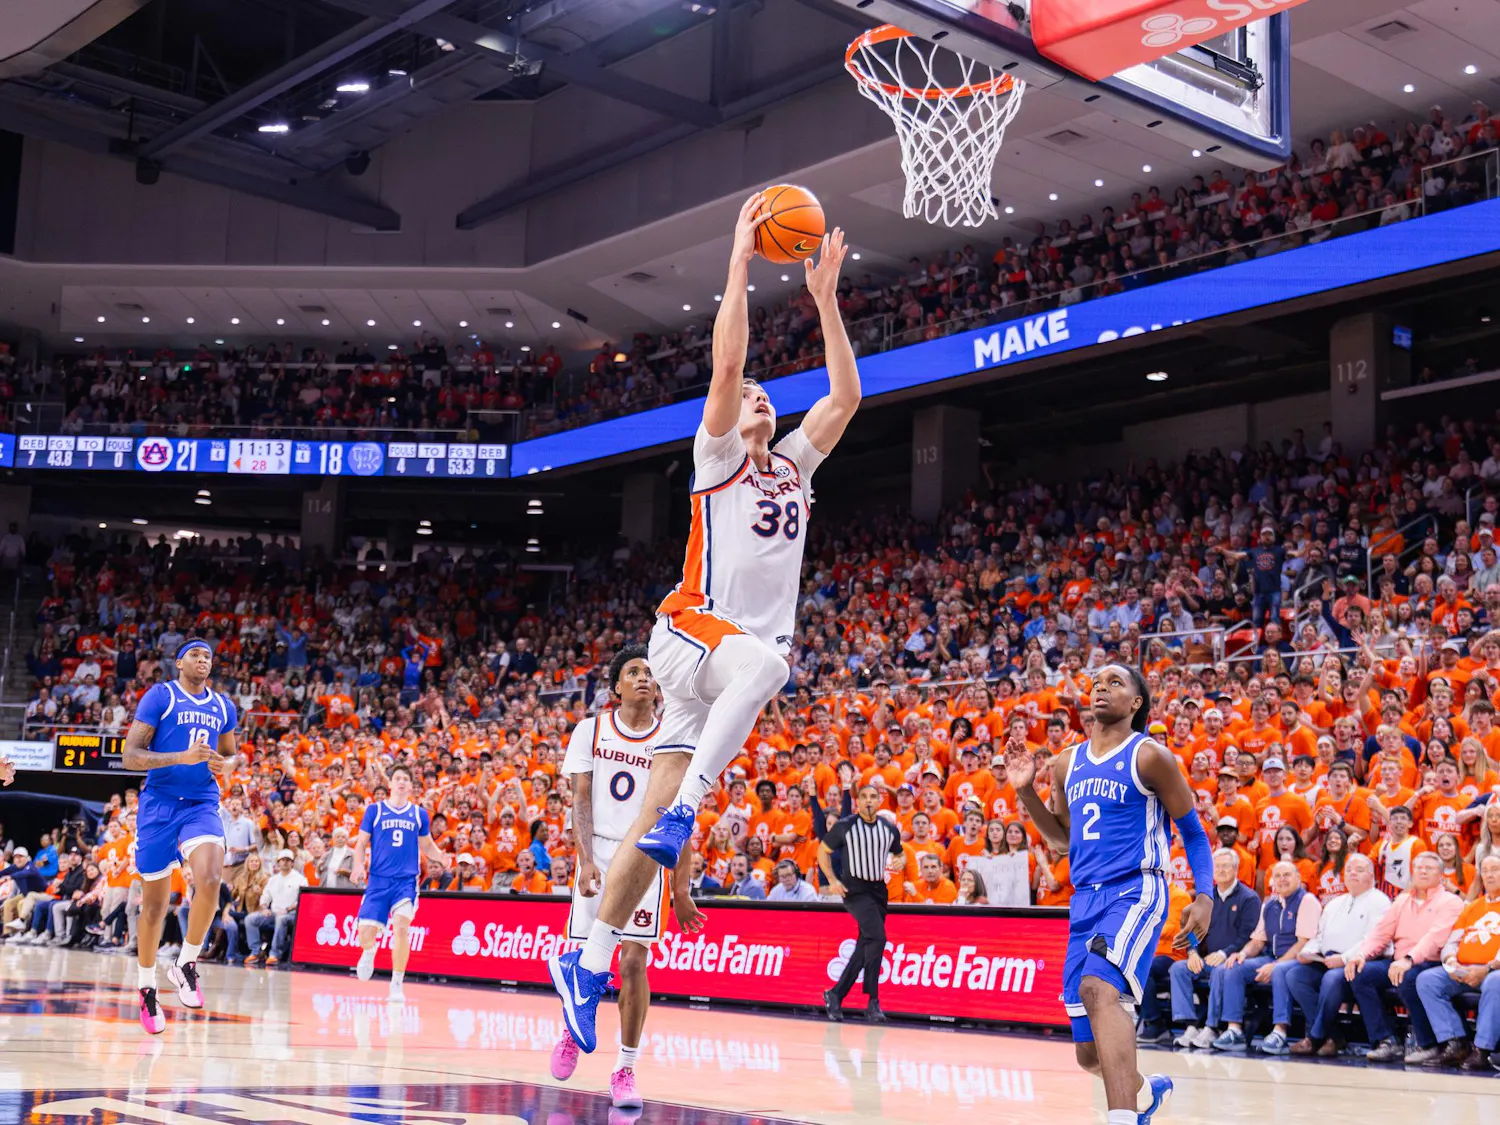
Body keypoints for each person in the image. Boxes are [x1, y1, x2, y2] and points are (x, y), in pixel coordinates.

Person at [549, 195, 862, 1053]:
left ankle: (586, 959)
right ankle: (688, 810)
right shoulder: (719, 458)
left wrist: (827, 300)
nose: (760, 400)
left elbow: (845, 395)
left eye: (769, 398)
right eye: (753, 396)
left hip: (716, 672)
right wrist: (738, 259)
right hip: (688, 635)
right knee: (770, 667)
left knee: (650, 828)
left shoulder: (794, 467)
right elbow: (727, 371)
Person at [1006, 664, 1212, 1125]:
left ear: (1137, 703)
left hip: (1136, 889)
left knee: (1101, 990)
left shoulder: (1149, 756)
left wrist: (1205, 896)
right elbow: (1063, 841)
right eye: (1097, 681)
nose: (1101, 686)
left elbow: (1194, 833)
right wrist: (1026, 793)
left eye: (1116, 682)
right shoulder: (1066, 763)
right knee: (1087, 1053)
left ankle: (1121, 1119)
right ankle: (1143, 1090)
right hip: (1085, 901)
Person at [549, 645, 699, 1110]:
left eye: (650, 673)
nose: (643, 678)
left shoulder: (671, 738)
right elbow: (580, 800)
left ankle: (626, 1067)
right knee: (585, 958)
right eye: (633, 672)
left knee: (634, 962)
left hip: (646, 857)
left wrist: (681, 887)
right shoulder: (590, 731)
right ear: (615, 687)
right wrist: (586, 859)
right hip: (600, 852)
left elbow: (680, 813)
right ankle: (573, 1032)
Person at [120, 640, 238, 1035]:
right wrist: (179, 757)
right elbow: (130, 755)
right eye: (195, 655)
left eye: (208, 656)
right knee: (154, 907)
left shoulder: (223, 706)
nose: (203, 661)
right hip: (159, 804)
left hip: (201, 802)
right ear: (180, 661)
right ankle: (147, 987)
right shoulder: (161, 696)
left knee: (209, 879)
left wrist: (225, 763)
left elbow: (231, 753)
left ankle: (186, 963)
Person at [1345, 850, 1465, 1063]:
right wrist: (1361, 954)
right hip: (1399, 961)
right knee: (1360, 973)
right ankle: (1386, 1040)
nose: (1423, 871)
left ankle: (1428, 1043)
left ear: (1441, 875)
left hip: (1430, 961)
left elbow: (1435, 937)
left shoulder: (1450, 901)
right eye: (1419, 867)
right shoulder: (1401, 900)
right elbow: (1381, 932)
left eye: (1429, 868)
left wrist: (1409, 959)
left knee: (1408, 978)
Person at [351, 764, 449, 1001]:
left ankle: (396, 983)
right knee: (365, 934)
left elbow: (426, 845)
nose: (402, 782)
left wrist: (440, 856)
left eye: (406, 778)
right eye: (398, 778)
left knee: (402, 928)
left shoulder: (418, 814)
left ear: (411, 785)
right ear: (390, 783)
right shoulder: (374, 810)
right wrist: (357, 865)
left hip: (405, 882)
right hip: (377, 881)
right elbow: (362, 842)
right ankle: (369, 950)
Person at [1208, 861, 1321, 1053]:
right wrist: (1242, 954)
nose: (1282, 880)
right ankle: (1234, 1030)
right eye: (1277, 876)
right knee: (1233, 967)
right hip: (1272, 958)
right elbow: (1258, 941)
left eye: (1287, 875)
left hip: (1301, 961)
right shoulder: (1269, 904)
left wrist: (1275, 965)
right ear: (1272, 881)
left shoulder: (1307, 901)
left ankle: (1280, 1032)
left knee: (1279, 971)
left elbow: (1303, 943)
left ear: (1298, 878)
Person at [1286, 853, 1391, 1057]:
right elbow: (1320, 936)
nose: (1352, 873)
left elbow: (1372, 939)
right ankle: (1332, 1036)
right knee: (1294, 976)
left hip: (1357, 961)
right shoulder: (1334, 903)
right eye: (1349, 869)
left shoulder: (1380, 901)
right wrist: (1309, 951)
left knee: (1332, 978)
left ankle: (1316, 1037)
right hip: (1326, 959)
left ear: (1371, 876)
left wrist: (1344, 958)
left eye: (1359, 870)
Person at [818, 784, 905, 1023]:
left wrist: (901, 860)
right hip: (855, 890)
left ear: (879, 801)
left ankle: (836, 994)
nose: (868, 801)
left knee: (865, 945)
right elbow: (822, 850)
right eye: (864, 796)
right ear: (858, 801)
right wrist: (832, 880)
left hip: (879, 891)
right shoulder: (845, 826)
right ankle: (873, 1000)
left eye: (873, 797)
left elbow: (900, 853)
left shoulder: (889, 829)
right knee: (878, 938)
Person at [1412, 853, 1500, 1070]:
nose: (1489, 875)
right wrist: (1451, 961)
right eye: (1485, 870)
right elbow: (1452, 941)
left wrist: (1487, 967)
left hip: (1493, 970)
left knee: (1494, 982)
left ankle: (1482, 1049)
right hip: (1464, 969)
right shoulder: (1472, 907)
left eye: (1495, 870)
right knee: (1427, 980)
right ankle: (1456, 1042)